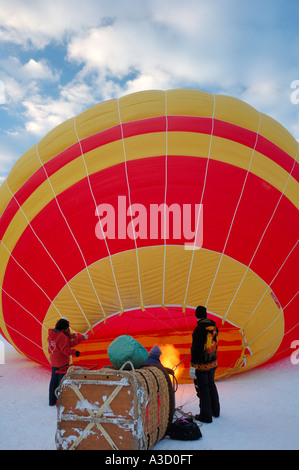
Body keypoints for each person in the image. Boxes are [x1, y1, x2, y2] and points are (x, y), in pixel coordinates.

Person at [190, 306, 220, 423]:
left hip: (201, 365)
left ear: (197, 315)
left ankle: (206, 416)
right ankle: (215, 411)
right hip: (212, 362)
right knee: (211, 385)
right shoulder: (214, 327)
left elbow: (195, 349)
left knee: (203, 389)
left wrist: (193, 366)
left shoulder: (199, 329)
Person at [48, 318, 87, 406]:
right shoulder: (62, 336)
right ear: (64, 328)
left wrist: (76, 336)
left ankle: (52, 401)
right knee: (61, 381)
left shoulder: (51, 334)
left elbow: (64, 342)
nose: (68, 330)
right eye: (67, 328)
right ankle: (60, 402)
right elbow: (66, 348)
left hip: (54, 361)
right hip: (62, 363)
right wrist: (74, 352)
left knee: (53, 380)